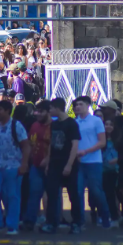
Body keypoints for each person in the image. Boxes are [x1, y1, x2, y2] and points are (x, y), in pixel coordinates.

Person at [0, 100, 30, 235]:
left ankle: (12, 225)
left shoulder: (16, 126)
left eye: (0, 110)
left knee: (12, 195)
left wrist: (24, 164)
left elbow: (26, 146)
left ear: (7, 111)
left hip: (13, 166)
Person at [40, 98, 82, 234]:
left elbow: (75, 145)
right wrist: (48, 162)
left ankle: (76, 222)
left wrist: (69, 165)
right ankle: (51, 222)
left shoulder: (72, 124)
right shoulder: (54, 124)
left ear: (57, 108)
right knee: (52, 194)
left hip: (68, 163)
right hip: (54, 164)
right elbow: (52, 144)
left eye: (51, 108)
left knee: (72, 195)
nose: (49, 111)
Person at [74, 96, 111, 229]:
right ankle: (80, 221)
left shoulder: (96, 121)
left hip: (94, 162)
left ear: (88, 105)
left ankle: (105, 217)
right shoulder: (75, 122)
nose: (78, 107)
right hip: (79, 163)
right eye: (76, 105)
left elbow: (102, 142)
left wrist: (86, 151)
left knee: (96, 191)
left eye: (81, 104)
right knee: (77, 192)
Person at [23, 100, 52, 230]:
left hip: (50, 166)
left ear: (48, 112)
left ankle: (51, 221)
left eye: (41, 111)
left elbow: (55, 145)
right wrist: (27, 161)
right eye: (36, 111)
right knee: (34, 193)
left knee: (52, 195)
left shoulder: (54, 126)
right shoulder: (34, 125)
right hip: (35, 164)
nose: (37, 114)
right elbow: (29, 143)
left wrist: (47, 159)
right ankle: (30, 221)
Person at [102, 119, 120, 228]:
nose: (108, 126)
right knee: (109, 195)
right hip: (104, 170)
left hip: (117, 170)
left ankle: (121, 216)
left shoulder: (118, 139)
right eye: (106, 124)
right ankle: (113, 217)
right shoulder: (100, 139)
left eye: (111, 124)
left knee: (119, 194)